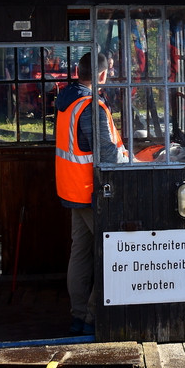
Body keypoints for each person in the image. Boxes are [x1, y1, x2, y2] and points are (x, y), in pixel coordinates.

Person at [54, 52, 128, 336]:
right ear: (101, 75)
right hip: (91, 191)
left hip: (72, 188)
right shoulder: (91, 106)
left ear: (77, 70)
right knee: (110, 253)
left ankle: (77, 316)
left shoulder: (68, 100)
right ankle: (92, 319)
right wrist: (132, 160)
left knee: (81, 253)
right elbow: (107, 154)